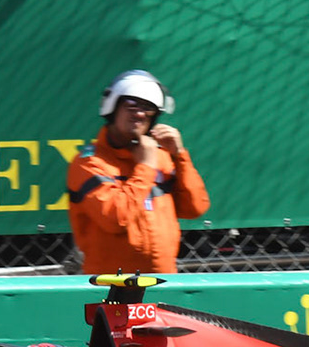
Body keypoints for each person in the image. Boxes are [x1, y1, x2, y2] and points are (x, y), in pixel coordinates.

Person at [66, 69, 209, 275]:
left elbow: (195, 207)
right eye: (131, 105)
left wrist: (179, 156)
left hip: (164, 279)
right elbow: (115, 219)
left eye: (148, 108)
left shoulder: (161, 157)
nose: (140, 113)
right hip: (111, 285)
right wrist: (146, 167)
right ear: (113, 108)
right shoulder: (89, 163)